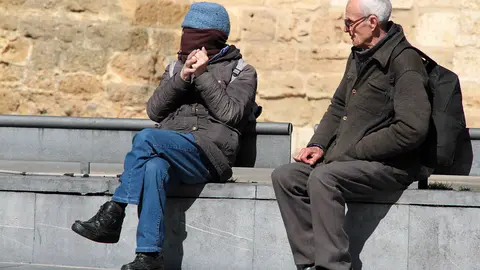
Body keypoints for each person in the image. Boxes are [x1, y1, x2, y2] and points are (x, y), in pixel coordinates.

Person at [71, 2, 258, 269]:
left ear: (215, 37)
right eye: (186, 33)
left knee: (146, 138)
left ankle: (115, 211)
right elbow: (154, 110)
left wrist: (203, 76)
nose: (189, 43)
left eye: (197, 35)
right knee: (153, 168)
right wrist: (182, 78)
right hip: (170, 150)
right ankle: (148, 256)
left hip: (210, 155)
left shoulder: (242, 70)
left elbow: (230, 114)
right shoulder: (174, 68)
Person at [271, 0, 431, 269]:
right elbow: (338, 106)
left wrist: (357, 150)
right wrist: (318, 144)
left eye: (349, 22)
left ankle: (332, 266)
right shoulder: (359, 54)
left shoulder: (406, 62)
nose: (345, 29)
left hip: (389, 165)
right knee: (286, 176)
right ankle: (310, 263)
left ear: (372, 23)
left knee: (324, 178)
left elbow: (412, 129)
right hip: (346, 159)